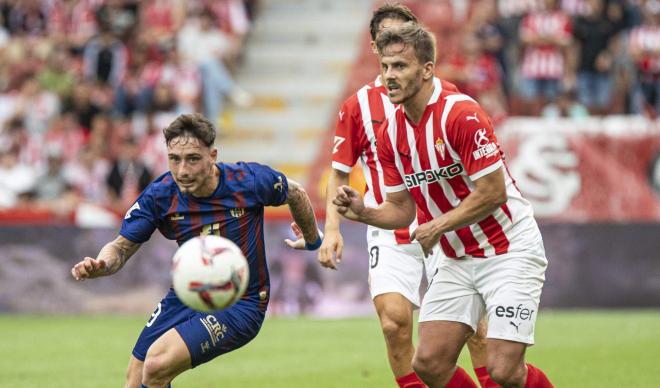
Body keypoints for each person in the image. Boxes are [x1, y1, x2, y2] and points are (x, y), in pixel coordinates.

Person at [334, 23, 553, 387]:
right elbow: (402, 209)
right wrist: (364, 213)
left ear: (427, 70)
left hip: (508, 250)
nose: (390, 76)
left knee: (504, 371)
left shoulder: (460, 114)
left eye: (400, 67)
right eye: (386, 66)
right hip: (456, 258)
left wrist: (438, 225)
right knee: (430, 363)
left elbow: (493, 192)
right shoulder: (390, 132)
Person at [294, 4, 492, 388]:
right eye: (389, 38)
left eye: (406, 36)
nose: (397, 46)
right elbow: (338, 173)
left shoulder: (448, 99)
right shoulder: (357, 107)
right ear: (375, 46)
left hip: (441, 225)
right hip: (390, 228)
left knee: (475, 332)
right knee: (393, 323)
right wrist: (331, 230)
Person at [70, 113, 322, 388]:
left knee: (157, 364)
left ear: (212, 155)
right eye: (174, 159)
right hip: (187, 293)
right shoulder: (161, 193)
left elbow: (295, 192)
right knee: (136, 377)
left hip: (241, 301)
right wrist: (102, 264)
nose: (182, 171)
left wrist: (312, 240)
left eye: (192, 158)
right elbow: (120, 247)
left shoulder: (247, 180)